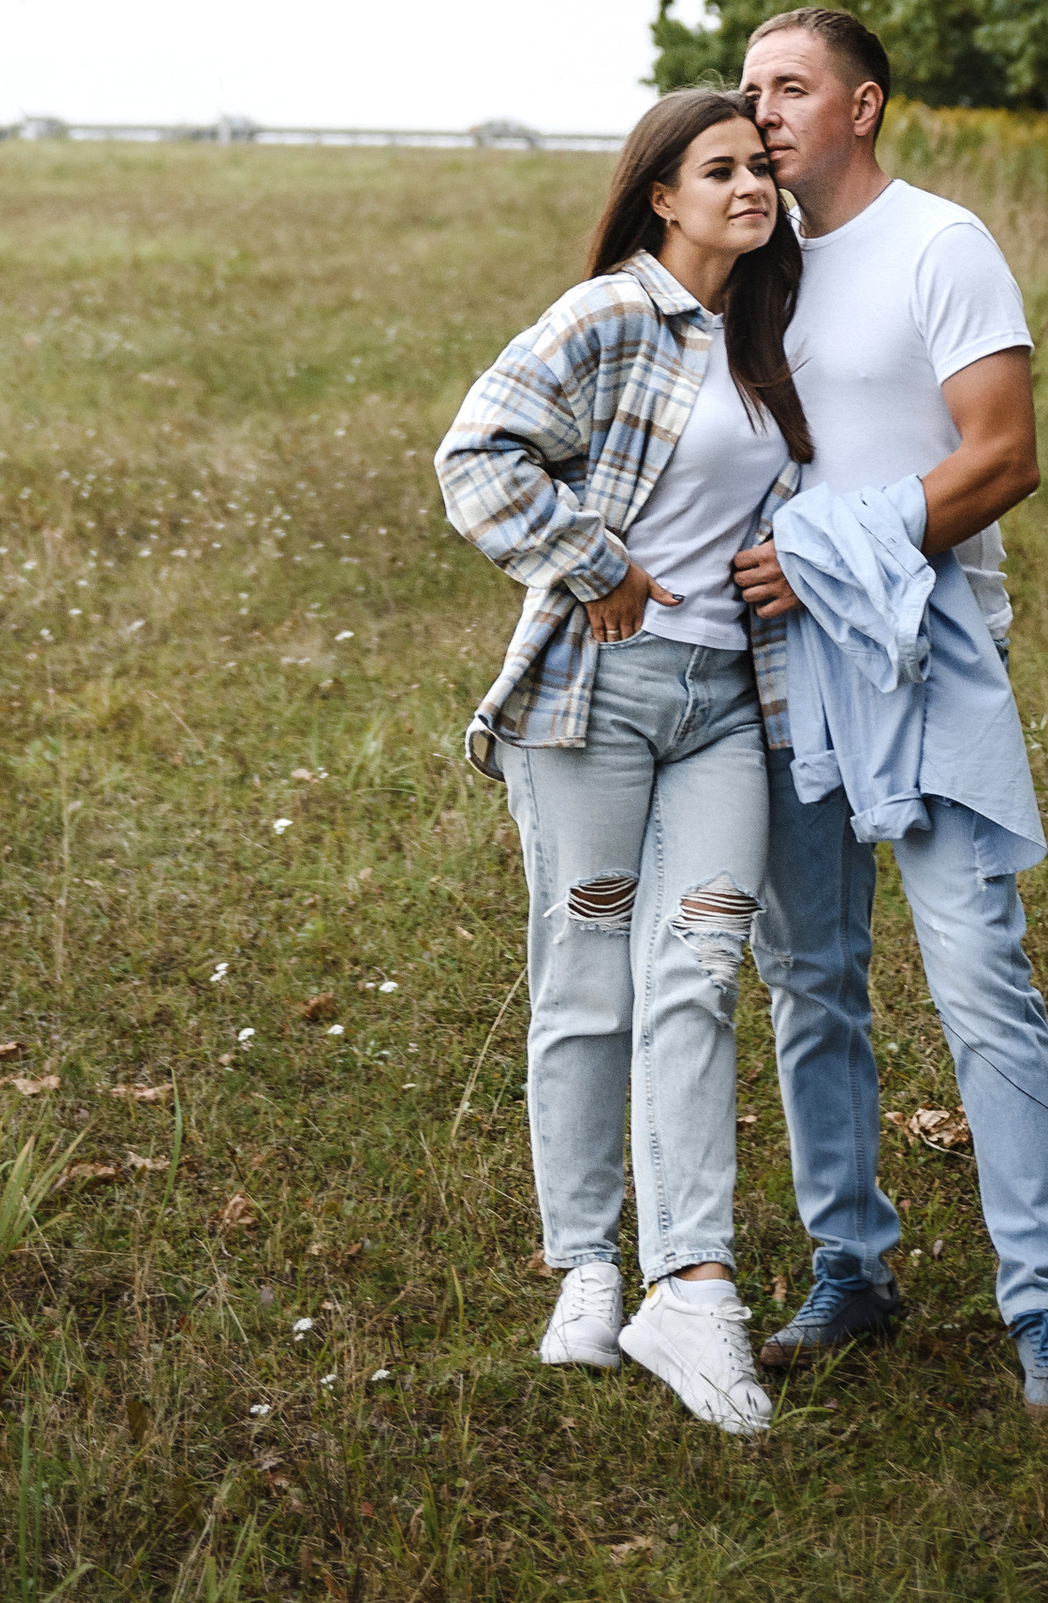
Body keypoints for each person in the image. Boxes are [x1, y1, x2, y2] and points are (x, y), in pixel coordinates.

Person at [729, 8, 1048, 1411]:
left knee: (979, 983)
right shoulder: (749, 269)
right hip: (784, 671)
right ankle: (853, 1266)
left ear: (864, 104)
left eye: (794, 86)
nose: (762, 109)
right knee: (809, 981)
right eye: (749, 86)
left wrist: (826, 548)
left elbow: (1003, 458)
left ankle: (1045, 1303)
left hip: (924, 658)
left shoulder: (943, 245)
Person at [435, 90, 814, 1437]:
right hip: (593, 703)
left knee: (702, 970)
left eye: (761, 166)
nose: (751, 186)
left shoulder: (773, 329)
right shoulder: (608, 316)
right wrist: (591, 562)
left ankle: (693, 1289)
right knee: (587, 976)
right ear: (662, 194)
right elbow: (473, 454)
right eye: (721, 169)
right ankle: (586, 1267)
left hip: (727, 703)